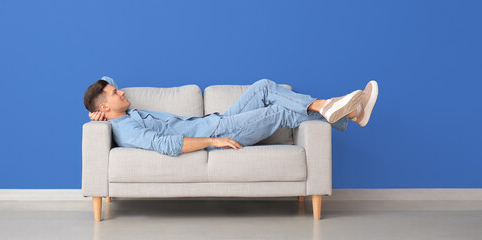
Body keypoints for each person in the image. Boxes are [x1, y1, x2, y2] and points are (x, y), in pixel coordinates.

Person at [83, 77, 378, 157]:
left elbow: (102, 82)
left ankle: (337, 110)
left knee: (263, 86)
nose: (121, 93)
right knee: (279, 111)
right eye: (115, 93)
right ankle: (342, 112)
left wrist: (93, 111)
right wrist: (214, 140)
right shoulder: (127, 129)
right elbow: (165, 145)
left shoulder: (119, 112)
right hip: (218, 130)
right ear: (106, 108)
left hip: (219, 118)